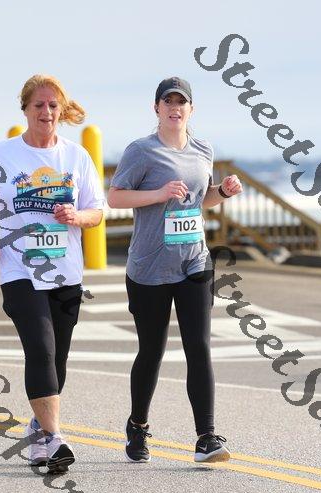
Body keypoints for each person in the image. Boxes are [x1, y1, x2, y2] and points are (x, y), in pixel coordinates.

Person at [0, 74, 105, 471]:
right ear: (25, 109)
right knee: (41, 349)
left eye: (53, 105)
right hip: (19, 271)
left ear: (62, 110)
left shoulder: (76, 157)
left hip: (65, 273)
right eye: (39, 105)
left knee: (57, 358)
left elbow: (97, 212)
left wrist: (77, 216)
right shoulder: (3, 155)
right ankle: (56, 438)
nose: (46, 112)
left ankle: (39, 432)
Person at [108, 76, 243, 463]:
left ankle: (207, 437)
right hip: (149, 267)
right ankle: (137, 426)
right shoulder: (141, 151)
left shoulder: (203, 149)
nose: (174, 108)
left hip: (194, 262)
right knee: (152, 351)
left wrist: (223, 192)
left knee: (199, 348)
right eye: (167, 102)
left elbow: (201, 200)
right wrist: (158, 193)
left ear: (190, 109)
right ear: (156, 109)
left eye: (181, 102)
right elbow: (115, 197)